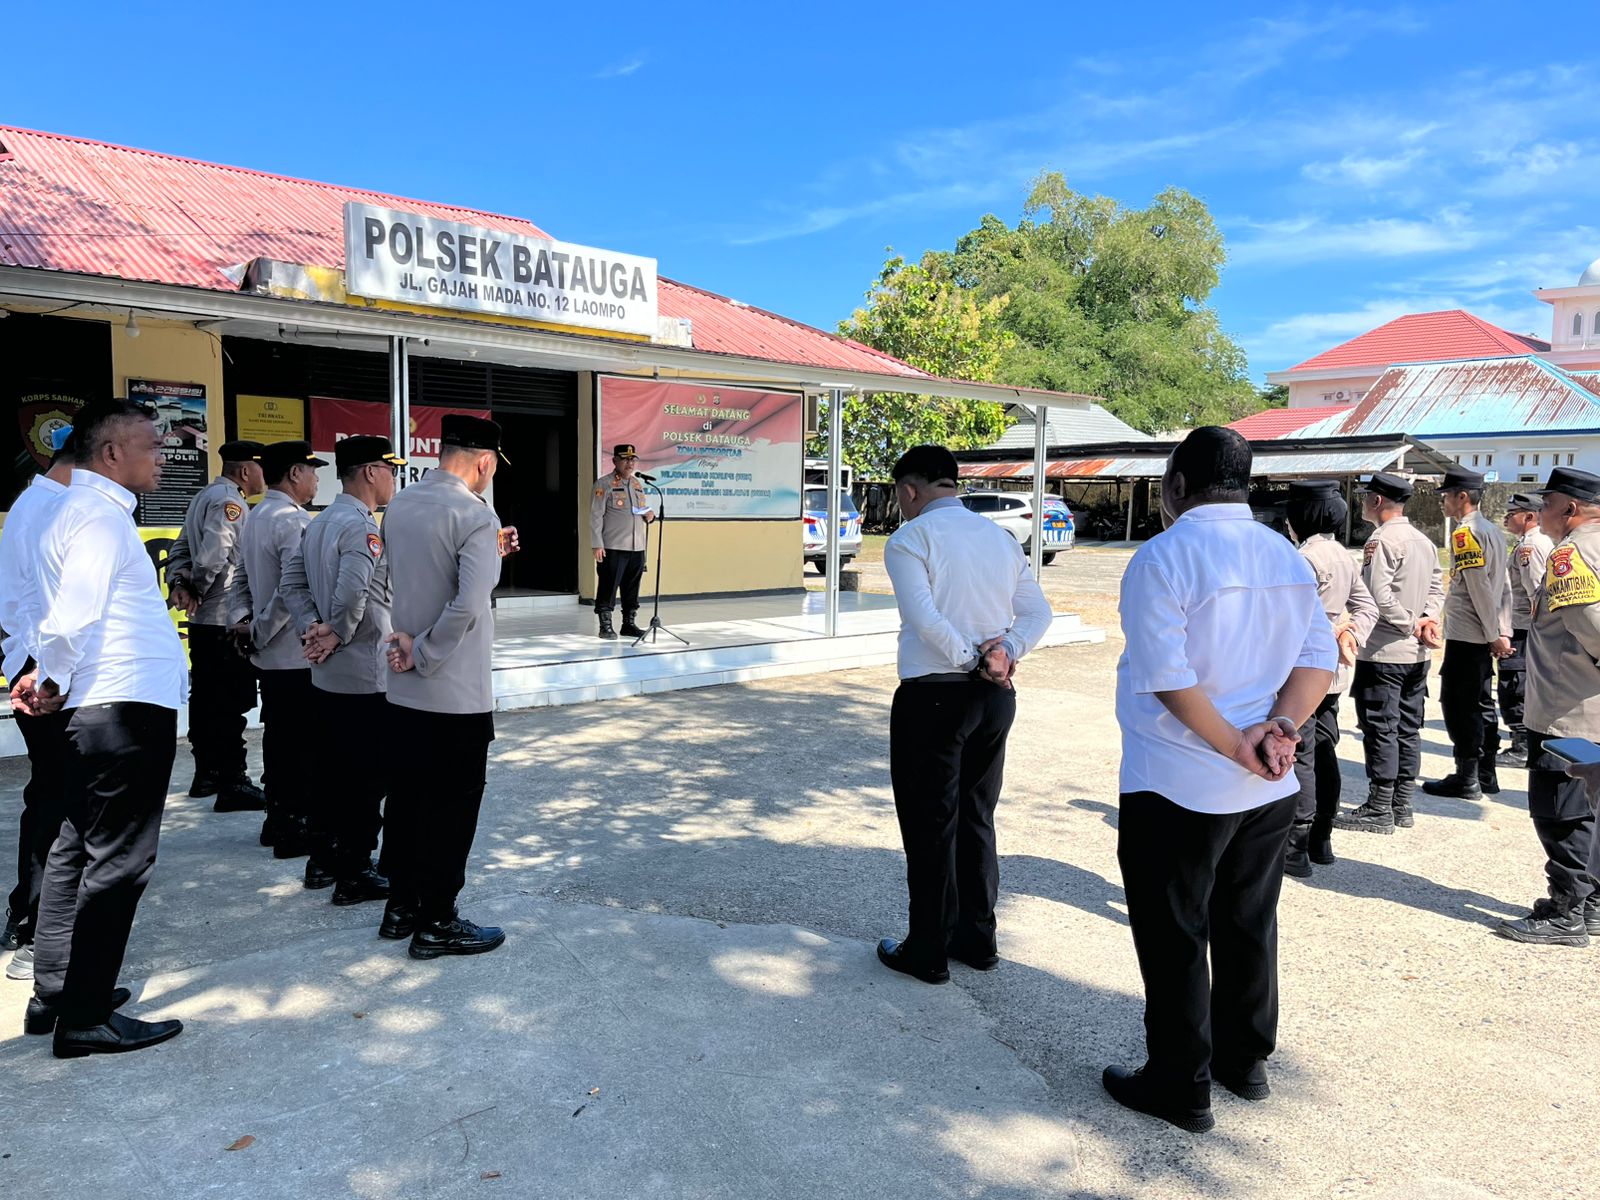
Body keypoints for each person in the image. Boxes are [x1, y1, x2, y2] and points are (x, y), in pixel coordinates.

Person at [1108, 427, 1336, 1134]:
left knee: (1175, 930)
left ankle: (1181, 1082)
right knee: (1248, 921)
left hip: (1179, 781)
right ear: (1245, 484)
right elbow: (1318, 660)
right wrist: (1282, 730)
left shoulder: (1164, 556)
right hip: (1267, 784)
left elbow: (1169, 677)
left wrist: (1239, 743)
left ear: (1176, 486)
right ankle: (1246, 1061)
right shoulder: (1284, 555)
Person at [20, 399, 186, 1056]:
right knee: (118, 863)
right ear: (111, 452)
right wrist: (50, 675)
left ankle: (61, 988)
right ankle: (84, 1015)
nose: (161, 455)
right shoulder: (96, 517)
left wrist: (52, 676)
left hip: (105, 709)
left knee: (76, 847)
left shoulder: (80, 511)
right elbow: (73, 614)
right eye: (150, 444)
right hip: (123, 713)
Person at [872, 445, 1052, 985]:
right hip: (994, 699)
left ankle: (926, 948)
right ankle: (977, 938)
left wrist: (974, 659)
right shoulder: (998, 537)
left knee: (930, 823)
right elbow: (1037, 612)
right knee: (976, 815)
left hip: (934, 695)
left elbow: (923, 617)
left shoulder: (910, 538)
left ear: (910, 490)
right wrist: (1006, 653)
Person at [381, 415, 518, 959]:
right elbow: (467, 603)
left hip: (403, 688)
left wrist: (407, 646)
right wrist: (429, 651)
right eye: (491, 468)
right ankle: (438, 919)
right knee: (452, 806)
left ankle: (402, 906)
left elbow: (411, 578)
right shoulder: (475, 514)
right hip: (452, 689)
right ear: (484, 461)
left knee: (409, 800)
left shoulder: (401, 505)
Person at [280, 435, 403, 906]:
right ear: (370, 472)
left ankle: (323, 862)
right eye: (389, 469)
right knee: (364, 777)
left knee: (332, 772)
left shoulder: (321, 520)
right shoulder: (357, 525)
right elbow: (354, 593)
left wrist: (312, 626)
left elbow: (292, 582)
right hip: (362, 671)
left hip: (329, 672)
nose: (393, 479)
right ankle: (354, 870)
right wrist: (334, 631)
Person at [1497, 467, 1600, 947]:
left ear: (1570, 509)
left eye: (1547, 504)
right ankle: (1590, 902)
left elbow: (1592, 627)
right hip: (1585, 707)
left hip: (1567, 712)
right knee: (1587, 809)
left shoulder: (1571, 553)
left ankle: (1567, 912)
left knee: (1561, 810)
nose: (1541, 513)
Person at [0, 425, 75, 981]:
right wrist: (43, 675)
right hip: (47, 681)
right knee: (60, 802)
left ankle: (29, 917)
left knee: (50, 795)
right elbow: (51, 609)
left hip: (35, 671)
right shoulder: (57, 511)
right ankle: (36, 930)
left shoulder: (35, 502)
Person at [1334, 473, 1444, 834]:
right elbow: (1436, 586)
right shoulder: (1423, 540)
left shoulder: (1381, 541)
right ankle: (1402, 803)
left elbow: (1376, 595)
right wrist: (1427, 618)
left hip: (1385, 650)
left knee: (1381, 726)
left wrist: (1411, 623)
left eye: (1367, 496)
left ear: (1378, 501)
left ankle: (1380, 806)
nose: (1364, 501)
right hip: (1416, 653)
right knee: (1408, 727)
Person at [233, 440, 324, 857]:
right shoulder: (292, 522)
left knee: (281, 738)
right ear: (293, 474)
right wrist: (261, 630)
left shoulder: (256, 513)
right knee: (300, 745)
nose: (316, 479)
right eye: (311, 471)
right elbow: (292, 591)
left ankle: (277, 819)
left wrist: (243, 620)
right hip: (290, 651)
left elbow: (239, 579)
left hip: (269, 652)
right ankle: (292, 826)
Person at [1283, 480, 1377, 875]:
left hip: (1304, 672)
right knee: (1325, 749)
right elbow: (1366, 604)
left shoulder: (1304, 558)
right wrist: (1351, 631)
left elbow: (1293, 617)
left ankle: (1297, 845)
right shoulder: (1341, 553)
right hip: (1334, 674)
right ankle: (1322, 836)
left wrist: (1334, 629)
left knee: (1302, 754)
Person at [166, 439, 266, 810]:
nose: (263, 476)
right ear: (245, 471)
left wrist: (180, 582)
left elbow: (179, 550)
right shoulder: (231, 503)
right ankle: (232, 782)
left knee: (207, 699)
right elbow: (212, 556)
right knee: (227, 703)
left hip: (204, 622)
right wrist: (195, 588)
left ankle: (206, 774)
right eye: (260, 468)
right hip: (225, 617)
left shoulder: (200, 498)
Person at [1424, 466, 1513, 800]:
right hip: (1485, 631)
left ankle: (1467, 777)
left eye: (1446, 495)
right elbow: (1502, 587)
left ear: (1462, 496)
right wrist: (1502, 630)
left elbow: (1478, 588)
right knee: (1481, 701)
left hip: (1469, 633)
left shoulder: (1465, 534)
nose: (1442, 502)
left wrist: (1493, 634)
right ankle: (1485, 772)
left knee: (1461, 705)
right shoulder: (1492, 530)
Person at [1496, 494, 1554, 769]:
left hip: (1523, 628)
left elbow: (1536, 593)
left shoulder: (1531, 546)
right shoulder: (1534, 542)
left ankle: (1521, 745)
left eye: (1512, 513)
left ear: (1529, 516)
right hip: (1525, 626)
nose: (1506, 518)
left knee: (1515, 685)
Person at [589, 444, 656, 640]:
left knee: (631, 587)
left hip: (636, 546)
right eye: (625, 459)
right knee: (608, 586)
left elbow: (640, 510)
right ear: (615, 461)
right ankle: (605, 625)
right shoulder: (604, 484)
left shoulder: (637, 484)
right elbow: (595, 516)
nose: (630, 463)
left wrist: (648, 515)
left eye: (633, 459)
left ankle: (629, 624)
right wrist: (597, 543)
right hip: (612, 546)